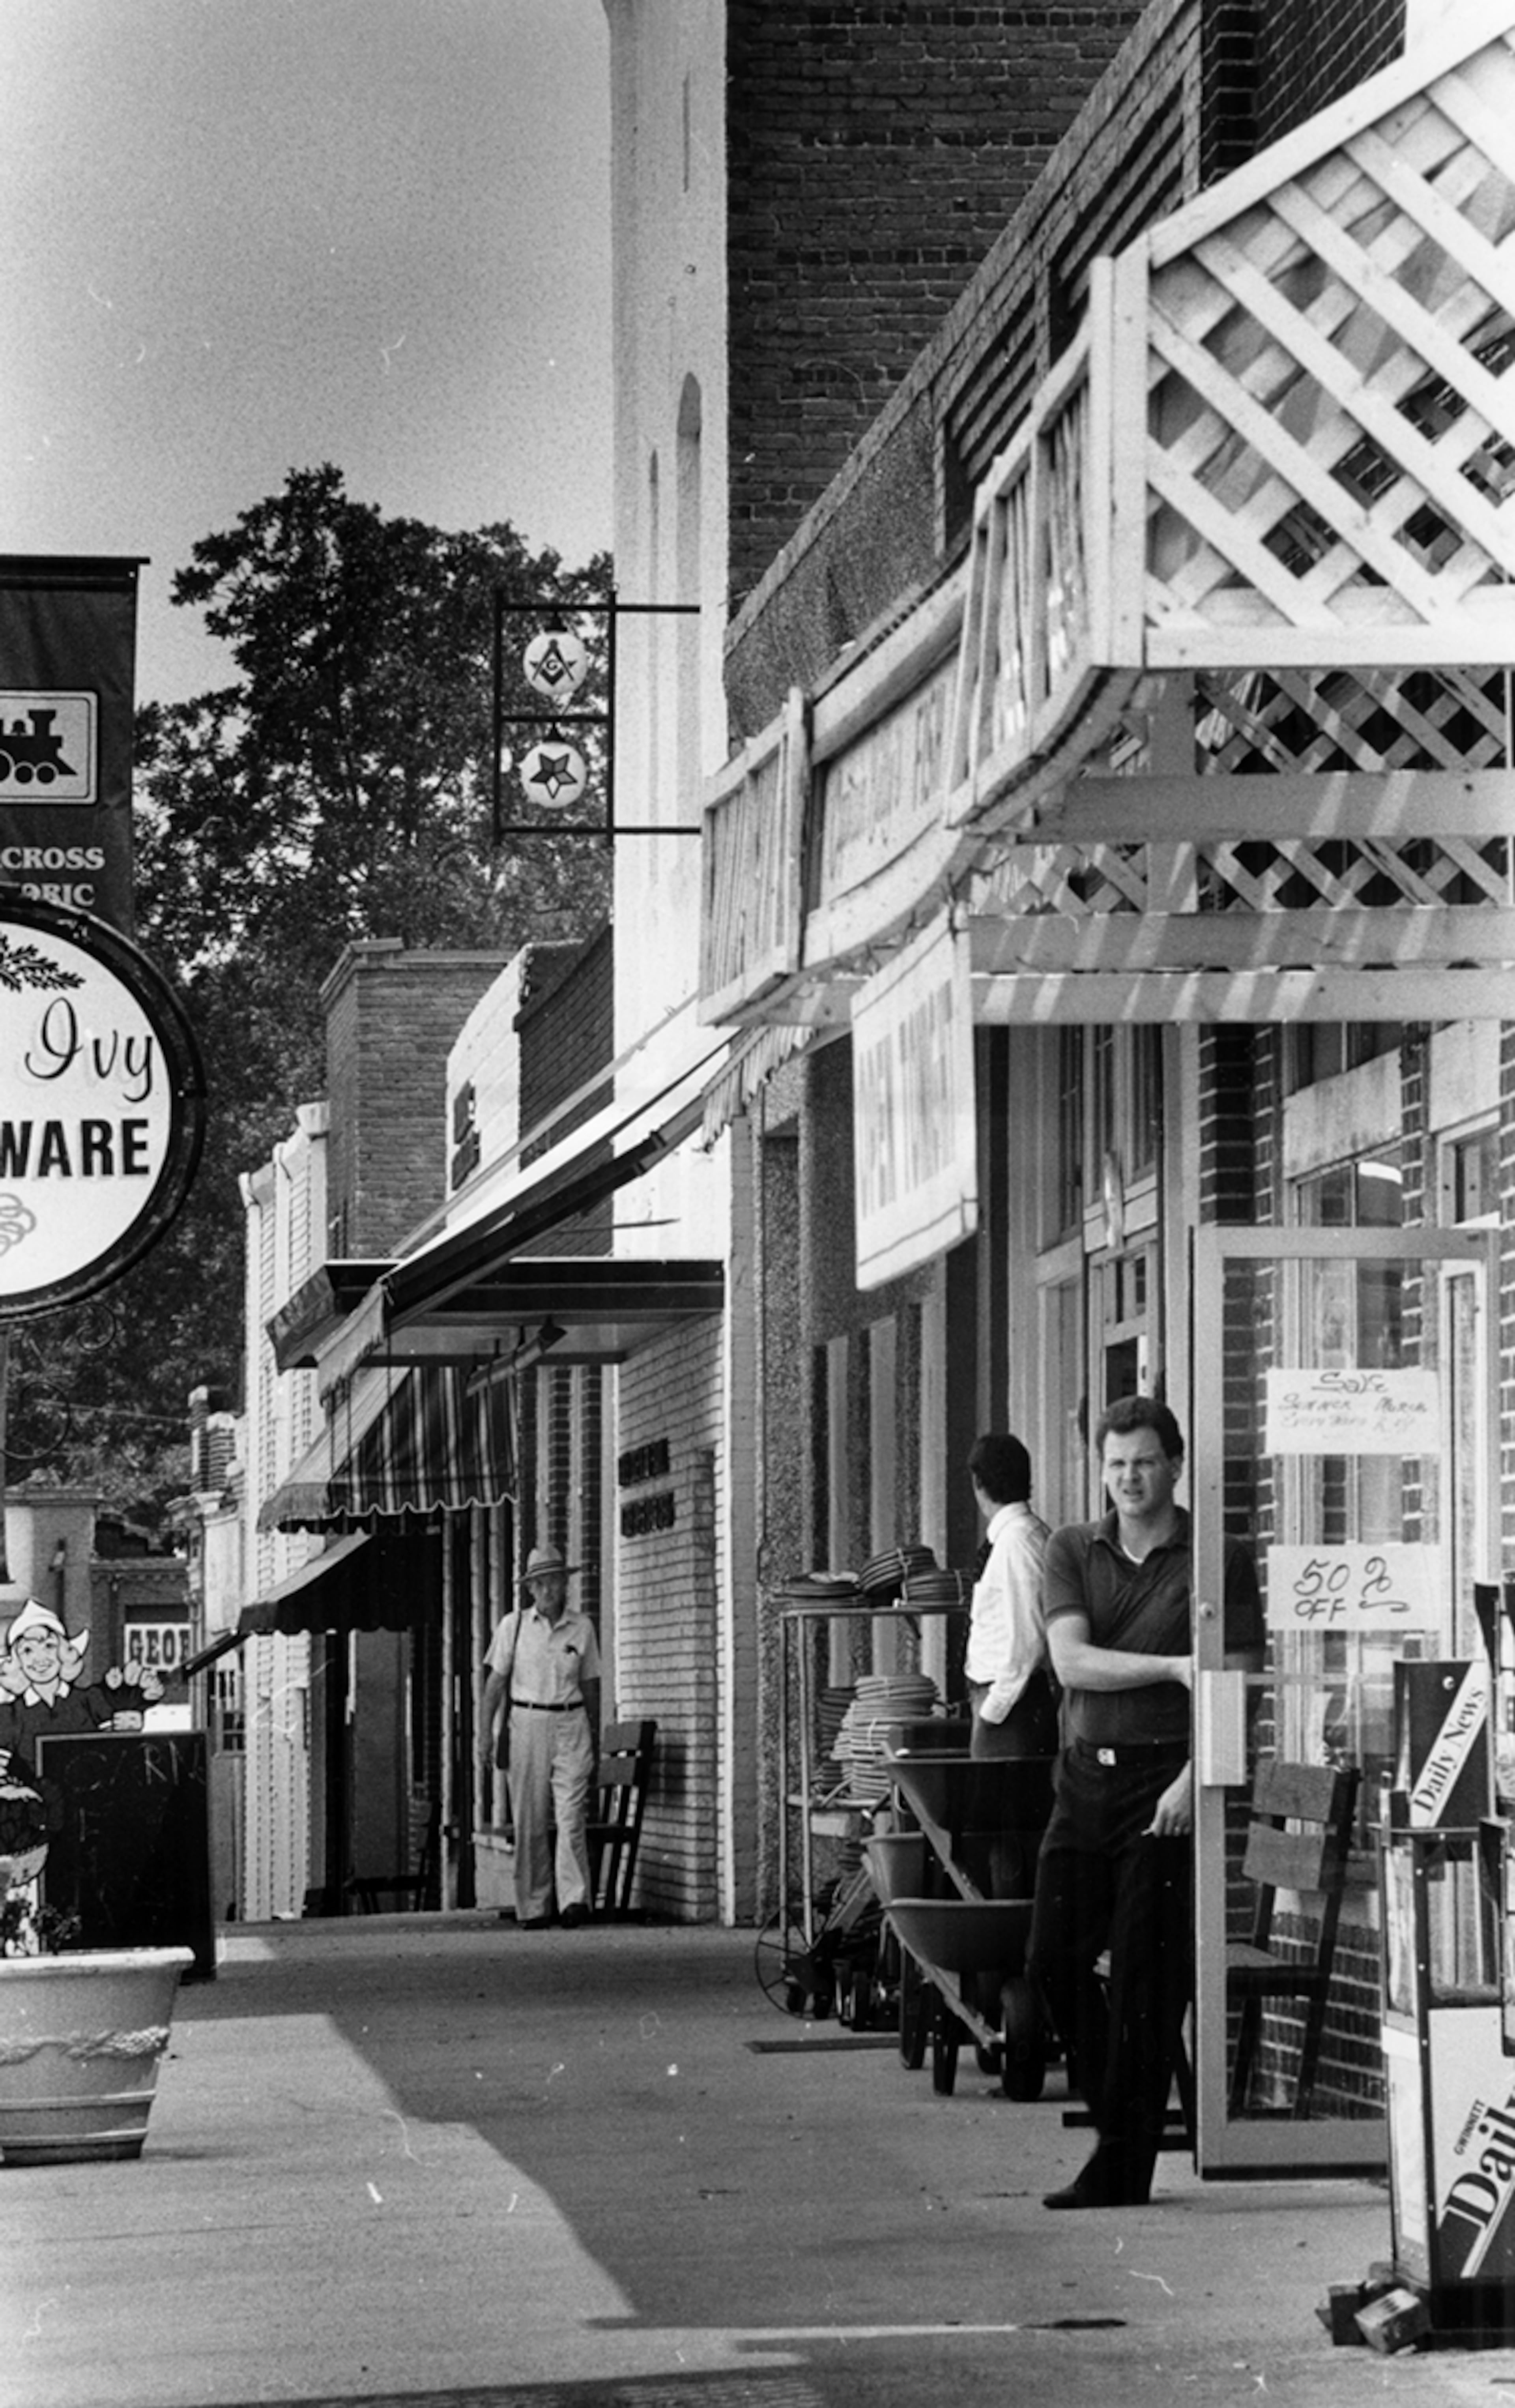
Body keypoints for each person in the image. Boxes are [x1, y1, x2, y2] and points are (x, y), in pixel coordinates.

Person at [1027, 1394, 1263, 2210]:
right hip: (1087, 1780)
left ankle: (1121, 2164)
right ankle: (1125, 2118)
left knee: (1145, 1978)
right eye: (1116, 1463)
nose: (1129, 1478)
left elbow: (1234, 1685)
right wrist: (1168, 1669)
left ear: (1176, 1465)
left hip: (1168, 1788)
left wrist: (1195, 1778)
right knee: (1051, 1960)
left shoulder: (1219, 1556)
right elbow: (1070, 1663)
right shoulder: (1071, 1548)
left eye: (1145, 1462)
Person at [478, 1542, 601, 1929]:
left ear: (566, 1585)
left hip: (571, 1721)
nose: (549, 1590)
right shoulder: (513, 1627)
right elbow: (495, 1685)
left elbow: (592, 1685)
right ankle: (534, 1905)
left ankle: (573, 1900)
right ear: (530, 1589)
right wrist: (485, 1733)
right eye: (541, 1584)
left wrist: (594, 1735)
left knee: (570, 1816)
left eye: (555, 1582)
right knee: (530, 1819)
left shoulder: (582, 1627)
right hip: (527, 1723)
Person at [964, 1431, 1058, 1761]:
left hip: (1011, 1706)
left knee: (1002, 1808)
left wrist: (993, 1712)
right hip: (1008, 1700)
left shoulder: (1017, 1543)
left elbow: (1029, 1638)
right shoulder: (1018, 1537)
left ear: (979, 1483)